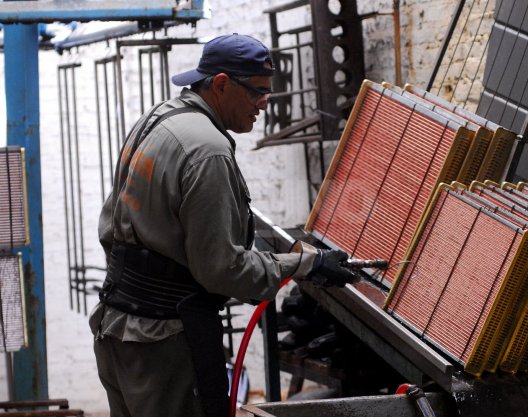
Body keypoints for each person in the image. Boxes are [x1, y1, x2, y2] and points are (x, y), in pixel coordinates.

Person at [90, 33, 358, 417]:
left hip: (116, 327)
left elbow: (117, 227)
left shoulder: (157, 119)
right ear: (220, 84)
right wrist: (305, 263)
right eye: (257, 92)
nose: (264, 103)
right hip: (164, 345)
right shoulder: (209, 151)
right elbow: (221, 270)